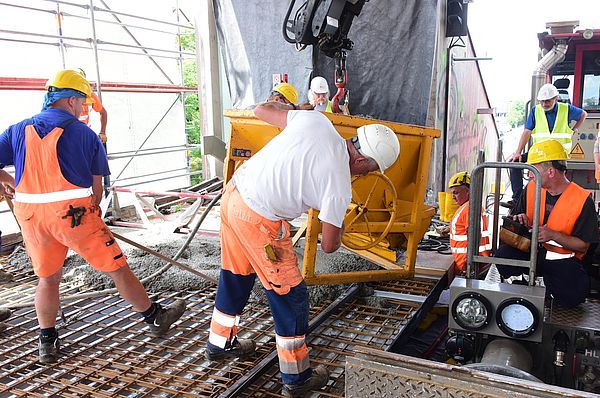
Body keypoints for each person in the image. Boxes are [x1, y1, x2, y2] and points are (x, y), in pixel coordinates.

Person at [205, 102, 400, 397]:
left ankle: (219, 345)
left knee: (236, 274)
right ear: (361, 163)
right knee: (290, 295)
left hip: (234, 195)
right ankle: (296, 379)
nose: (364, 175)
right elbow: (330, 245)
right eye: (370, 171)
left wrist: (296, 108)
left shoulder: (316, 122)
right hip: (259, 220)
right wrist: (339, 217)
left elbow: (261, 110)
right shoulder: (339, 185)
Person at [0, 69, 186, 364]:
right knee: (117, 269)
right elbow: (98, 190)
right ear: (72, 101)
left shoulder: (16, 130)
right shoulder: (84, 134)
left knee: (48, 279)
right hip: (72, 213)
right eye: (82, 102)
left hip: (31, 216)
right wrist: (94, 212)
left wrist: (8, 182)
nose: (84, 108)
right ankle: (154, 317)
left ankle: (47, 342)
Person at [496, 139, 598, 307]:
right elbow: (517, 217)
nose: (529, 175)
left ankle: (547, 290)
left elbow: (583, 246)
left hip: (562, 263)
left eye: (533, 170)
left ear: (550, 172)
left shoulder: (582, 200)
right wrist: (520, 219)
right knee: (503, 256)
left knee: (575, 292)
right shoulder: (530, 189)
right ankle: (521, 287)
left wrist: (554, 235)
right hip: (530, 253)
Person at [507, 83, 587, 206]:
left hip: (558, 155)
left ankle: (558, 203)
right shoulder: (536, 110)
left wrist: (574, 129)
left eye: (548, 101)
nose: (544, 104)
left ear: (556, 99)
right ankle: (517, 199)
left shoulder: (566, 109)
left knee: (551, 176)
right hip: (540, 154)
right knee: (514, 164)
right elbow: (527, 131)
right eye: (542, 101)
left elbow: (583, 114)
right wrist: (518, 152)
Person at [448, 171, 492, 275]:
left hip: (468, 265)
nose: (453, 197)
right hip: (472, 263)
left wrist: (468, 266)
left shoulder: (469, 208)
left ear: (468, 192)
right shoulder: (469, 206)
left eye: (456, 193)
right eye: (452, 193)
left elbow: (474, 237)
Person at [77, 68, 108, 144]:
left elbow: (103, 112)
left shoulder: (90, 95)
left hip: (83, 134)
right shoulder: (64, 97)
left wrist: (102, 132)